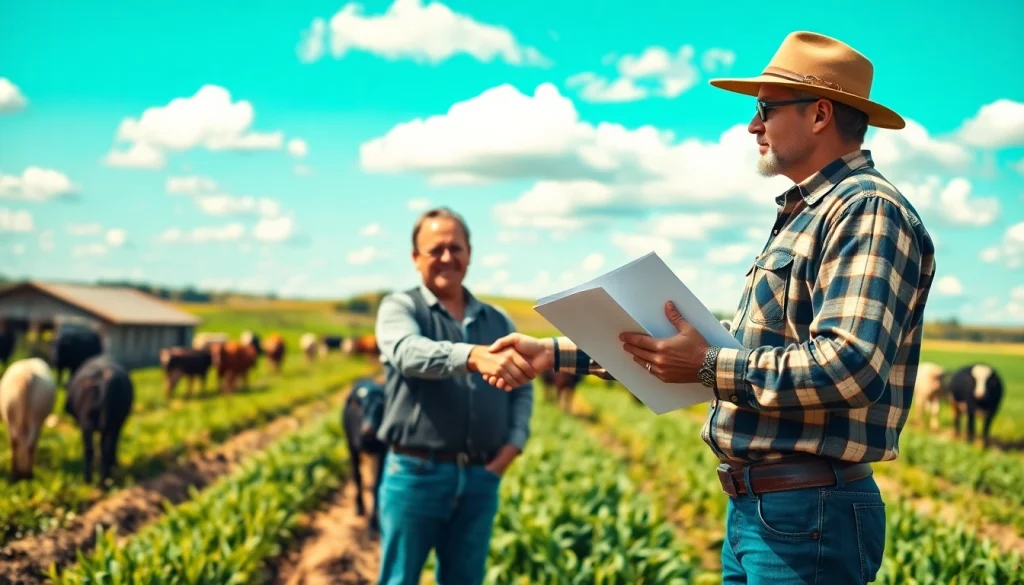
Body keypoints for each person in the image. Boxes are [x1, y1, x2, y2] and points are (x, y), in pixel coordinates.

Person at [484, 31, 936, 584]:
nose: (753, 125)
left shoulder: (866, 209)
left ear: (819, 115)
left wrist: (705, 364)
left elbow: (851, 366)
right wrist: (552, 354)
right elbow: (730, 353)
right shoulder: (808, 212)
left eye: (765, 109)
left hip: (809, 511)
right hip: (765, 509)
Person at [373, 206, 539, 585]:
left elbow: (523, 388)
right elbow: (405, 352)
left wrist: (513, 445)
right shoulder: (401, 307)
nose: (447, 257)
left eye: (456, 248)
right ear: (416, 258)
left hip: (482, 476)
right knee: (400, 578)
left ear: (470, 253)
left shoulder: (497, 321)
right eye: (435, 249)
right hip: (416, 474)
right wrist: (471, 355)